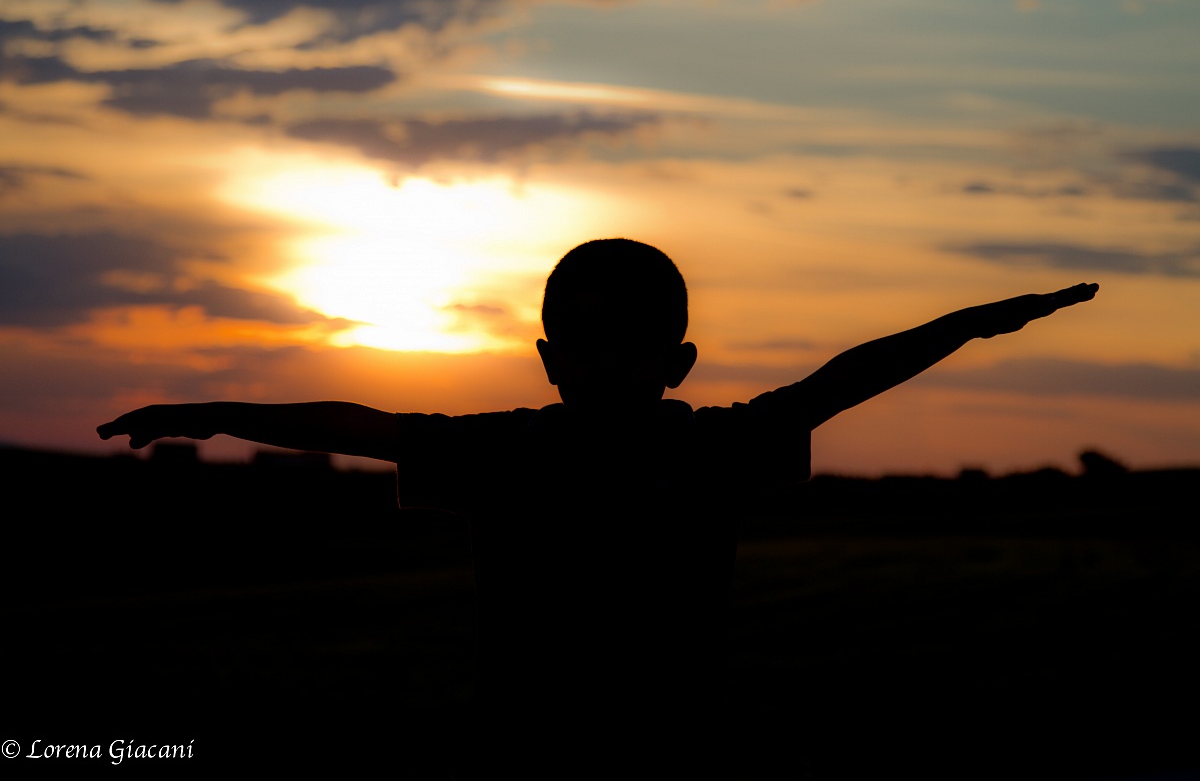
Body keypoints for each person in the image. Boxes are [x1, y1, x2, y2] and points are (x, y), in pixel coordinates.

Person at [98, 238, 1098, 778]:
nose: (609, 359)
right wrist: (212, 413)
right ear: (549, 358)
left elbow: (844, 378)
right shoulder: (514, 450)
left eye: (633, 339)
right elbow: (364, 425)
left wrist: (968, 326)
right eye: (586, 339)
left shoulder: (701, 447)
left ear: (678, 360)